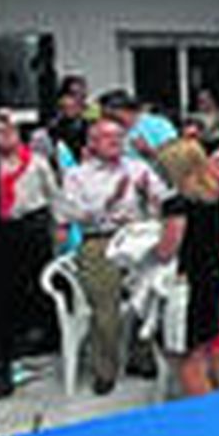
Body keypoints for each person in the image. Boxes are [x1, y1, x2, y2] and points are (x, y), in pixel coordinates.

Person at [54, 115, 170, 394]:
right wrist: (110, 201)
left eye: (119, 136)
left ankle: (141, 356)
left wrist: (151, 196)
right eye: (108, 137)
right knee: (106, 307)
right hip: (99, 240)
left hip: (137, 237)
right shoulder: (76, 175)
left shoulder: (137, 167)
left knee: (155, 291)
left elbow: (165, 200)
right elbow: (70, 215)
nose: (116, 142)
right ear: (92, 143)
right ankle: (105, 370)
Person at [0, 109, 61, 397]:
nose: (5, 137)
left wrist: (60, 225)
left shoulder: (36, 161)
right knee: (7, 286)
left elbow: (54, 195)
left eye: (9, 132)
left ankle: (45, 336)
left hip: (33, 225)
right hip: (2, 229)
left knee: (38, 282)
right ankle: (15, 339)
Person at [154, 138, 219, 397]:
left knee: (186, 359)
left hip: (189, 283)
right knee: (203, 349)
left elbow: (167, 251)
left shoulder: (177, 204)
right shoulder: (217, 194)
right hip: (214, 273)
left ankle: (207, 411)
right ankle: (214, 399)